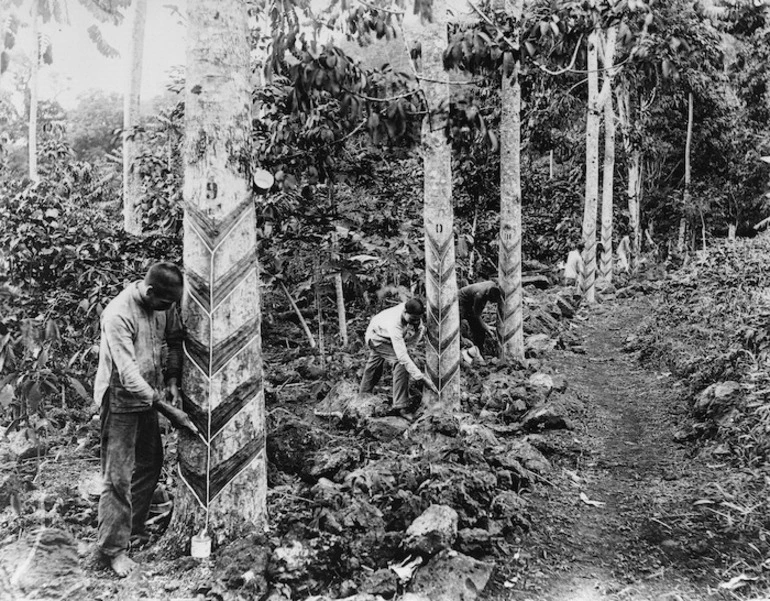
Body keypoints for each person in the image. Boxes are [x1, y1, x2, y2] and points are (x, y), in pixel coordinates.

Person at [93, 261, 194, 577]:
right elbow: (128, 374)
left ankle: (134, 530)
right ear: (150, 292)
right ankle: (112, 550)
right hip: (120, 396)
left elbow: (174, 339)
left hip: (149, 394)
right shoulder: (117, 314)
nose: (167, 309)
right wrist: (170, 410)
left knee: (150, 462)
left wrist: (174, 380)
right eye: (165, 303)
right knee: (117, 476)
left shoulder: (163, 304)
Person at [359, 298, 439, 414]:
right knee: (400, 362)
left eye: (418, 319)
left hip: (387, 336)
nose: (415, 322)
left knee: (373, 368)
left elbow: (414, 339)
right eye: (412, 319)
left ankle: (361, 396)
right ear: (404, 312)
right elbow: (402, 357)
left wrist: (410, 349)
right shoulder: (394, 323)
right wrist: (421, 377)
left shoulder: (415, 320)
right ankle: (400, 405)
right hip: (376, 337)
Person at [458, 281, 502, 357]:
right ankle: (464, 351)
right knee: (462, 326)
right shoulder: (480, 296)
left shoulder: (492, 285)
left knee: (480, 330)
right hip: (461, 300)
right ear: (488, 296)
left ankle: (479, 351)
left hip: (471, 301)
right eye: (490, 301)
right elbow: (477, 315)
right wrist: (487, 328)